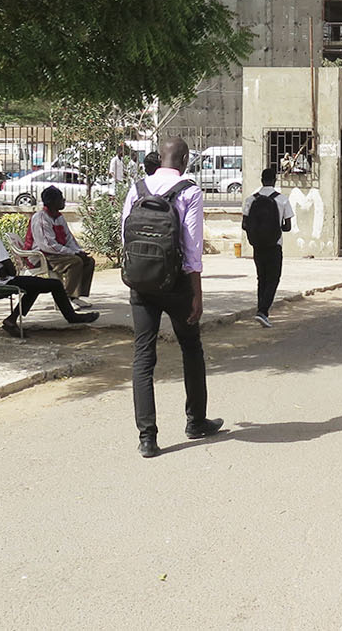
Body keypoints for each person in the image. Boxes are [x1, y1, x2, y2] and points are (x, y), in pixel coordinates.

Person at [121, 137, 222, 457]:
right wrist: (197, 293)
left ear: (160, 158)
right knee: (191, 348)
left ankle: (147, 438)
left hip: (141, 283)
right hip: (176, 282)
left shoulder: (137, 188)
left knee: (143, 357)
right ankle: (196, 421)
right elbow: (192, 249)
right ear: (185, 160)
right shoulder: (189, 191)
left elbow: (124, 231)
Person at [0, 209, 98, 336]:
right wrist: (4, 269)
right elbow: (12, 271)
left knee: (35, 286)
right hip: (2, 282)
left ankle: (12, 320)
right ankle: (72, 317)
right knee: (55, 284)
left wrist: (2, 269)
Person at [26, 186, 95, 309]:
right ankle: (63, 300)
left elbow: (69, 238)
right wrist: (73, 254)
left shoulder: (59, 217)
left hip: (57, 254)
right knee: (75, 262)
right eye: (60, 198)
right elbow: (48, 245)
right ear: (52, 202)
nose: (63, 200)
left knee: (88, 261)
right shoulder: (40, 218)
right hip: (42, 255)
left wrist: (78, 251)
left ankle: (75, 296)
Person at [242, 167, 294, 327]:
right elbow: (287, 227)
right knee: (273, 279)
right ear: (275, 180)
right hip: (274, 245)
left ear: (261, 180)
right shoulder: (282, 200)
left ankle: (261, 311)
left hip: (257, 246)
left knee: (261, 279)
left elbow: (245, 225)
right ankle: (263, 311)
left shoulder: (251, 199)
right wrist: (274, 228)